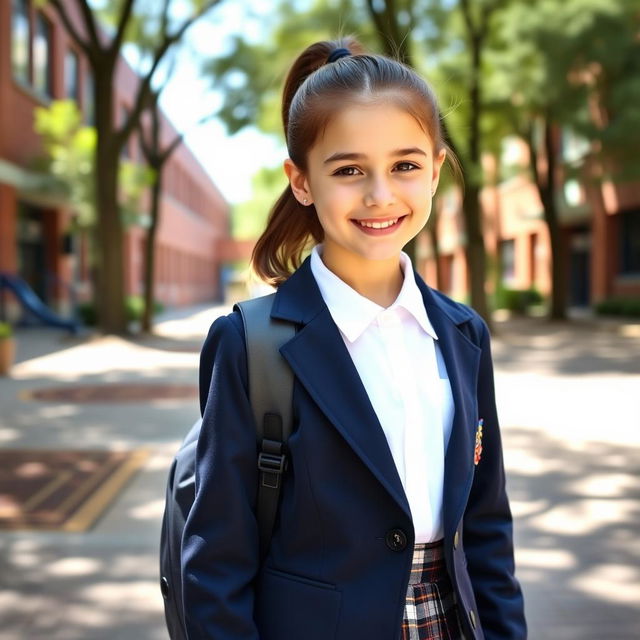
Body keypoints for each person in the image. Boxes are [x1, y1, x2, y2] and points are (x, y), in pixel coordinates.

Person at [182, 37, 526, 640]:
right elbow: (215, 561)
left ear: (437, 169)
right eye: (348, 170)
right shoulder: (250, 343)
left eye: (405, 165)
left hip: (450, 621)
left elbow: (487, 524)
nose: (380, 195)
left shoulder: (464, 333)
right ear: (302, 181)